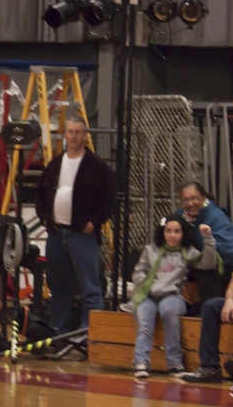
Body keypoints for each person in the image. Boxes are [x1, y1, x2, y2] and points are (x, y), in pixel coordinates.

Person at [35, 115, 116, 333]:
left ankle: (90, 335)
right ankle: (58, 333)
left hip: (83, 236)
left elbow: (108, 200)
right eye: (70, 132)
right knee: (58, 288)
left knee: (90, 288)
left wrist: (93, 223)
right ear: (65, 135)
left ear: (84, 135)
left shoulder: (98, 167)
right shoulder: (55, 164)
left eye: (78, 132)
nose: (73, 136)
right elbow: (40, 193)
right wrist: (45, 218)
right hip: (56, 235)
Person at [130, 215, 215, 379]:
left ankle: (175, 363)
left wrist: (207, 238)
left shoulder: (187, 252)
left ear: (183, 234)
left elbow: (208, 263)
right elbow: (138, 273)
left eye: (177, 231)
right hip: (147, 295)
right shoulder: (150, 250)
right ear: (163, 233)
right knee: (145, 323)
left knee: (169, 312)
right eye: (168, 231)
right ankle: (140, 361)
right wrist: (150, 285)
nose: (172, 235)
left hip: (173, 295)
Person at [173, 181, 233, 303]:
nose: (190, 203)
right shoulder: (180, 216)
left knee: (206, 273)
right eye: (186, 200)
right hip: (193, 261)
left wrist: (197, 249)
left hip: (222, 264)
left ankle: (209, 309)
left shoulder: (216, 216)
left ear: (203, 198)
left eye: (194, 198)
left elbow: (226, 250)